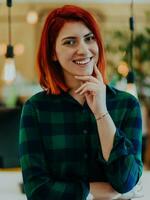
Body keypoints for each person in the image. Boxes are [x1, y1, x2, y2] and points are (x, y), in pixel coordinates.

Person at [19, 5, 143, 200]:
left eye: (89, 38)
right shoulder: (36, 109)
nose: (83, 50)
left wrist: (102, 113)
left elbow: (126, 181)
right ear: (53, 53)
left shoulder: (127, 105)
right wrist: (90, 191)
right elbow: (36, 191)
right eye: (70, 42)